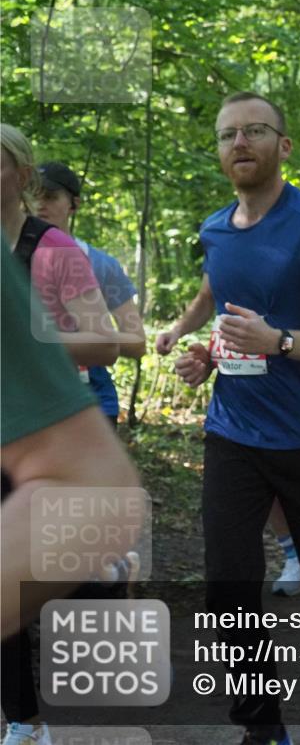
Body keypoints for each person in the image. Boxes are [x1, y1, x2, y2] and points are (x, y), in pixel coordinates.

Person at [155, 92, 300, 745]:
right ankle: (263, 729)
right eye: (228, 134)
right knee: (227, 589)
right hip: (233, 433)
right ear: (220, 151)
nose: (240, 142)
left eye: (255, 131)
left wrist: (280, 342)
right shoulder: (215, 228)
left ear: (283, 146)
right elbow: (219, 296)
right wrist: (207, 354)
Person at [1, 245, 145, 745]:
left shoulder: (72, 255)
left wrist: (37, 347)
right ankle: (24, 716)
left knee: (79, 562)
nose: (45, 206)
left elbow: (127, 341)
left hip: (73, 413)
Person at [36, 161, 147, 427]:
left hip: (91, 401)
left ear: (74, 204)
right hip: (30, 402)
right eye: (33, 195)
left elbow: (137, 341)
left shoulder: (100, 263)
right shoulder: (11, 258)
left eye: (50, 197)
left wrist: (90, 337)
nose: (40, 205)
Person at [1, 124, 118, 368]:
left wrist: (24, 340)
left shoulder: (56, 249)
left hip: (39, 401)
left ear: (22, 176)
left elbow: (106, 345)